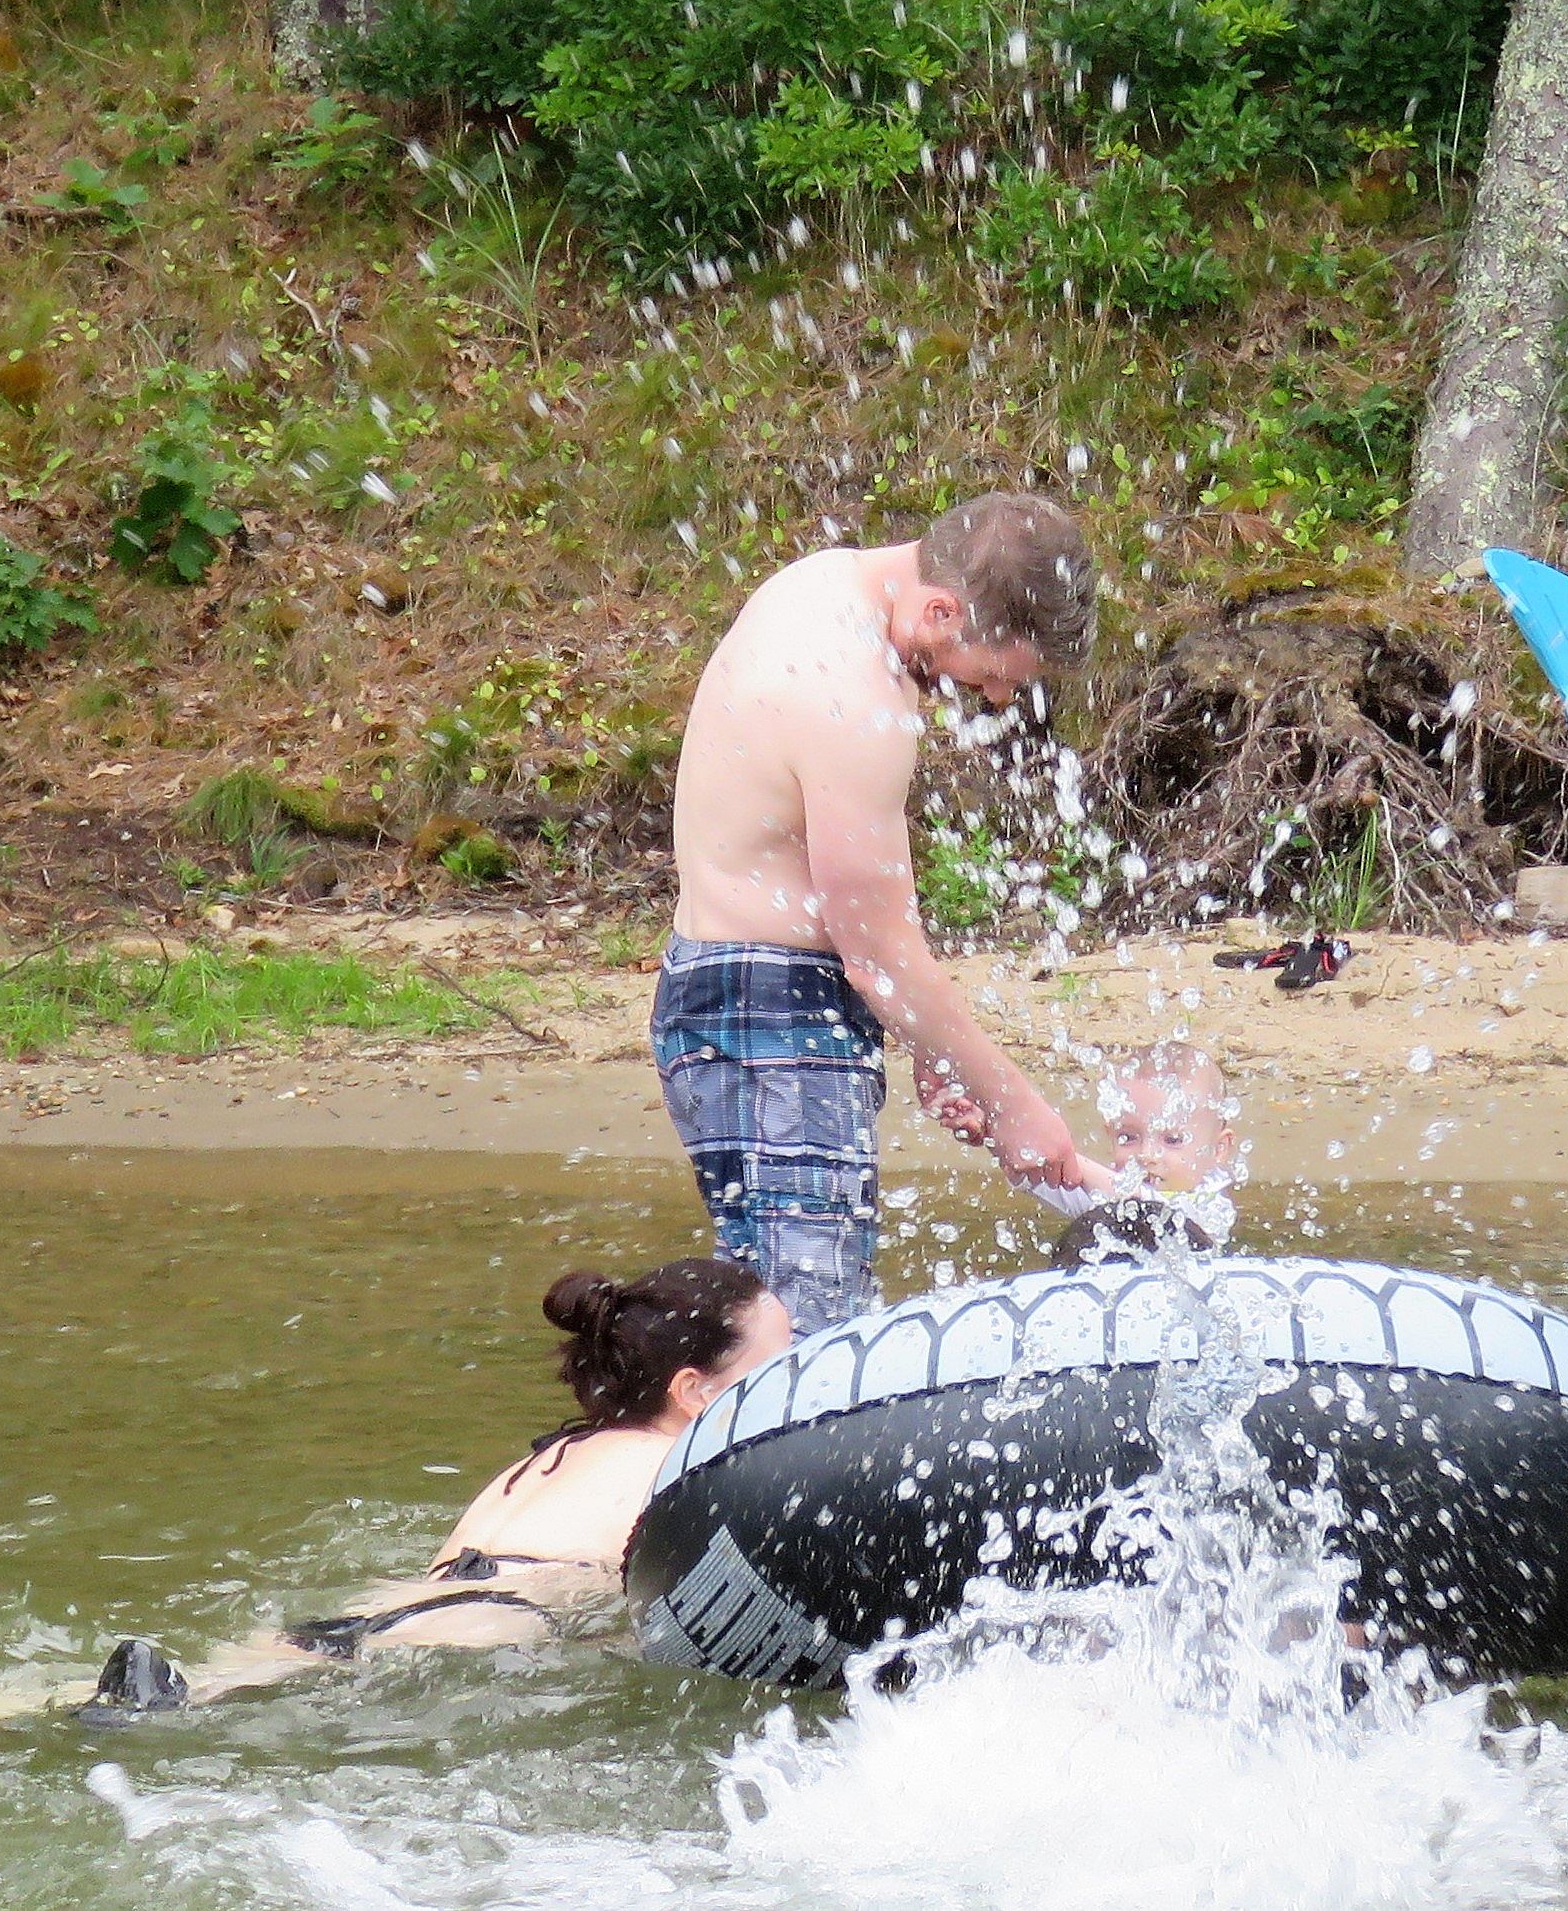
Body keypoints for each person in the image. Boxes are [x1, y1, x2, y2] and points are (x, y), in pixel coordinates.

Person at [656, 493, 1116, 1335]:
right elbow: (877, 956)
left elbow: (857, 924)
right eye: (991, 673)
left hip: (716, 993)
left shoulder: (818, 584)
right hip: (777, 1022)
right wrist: (1015, 1105)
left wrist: (929, 1047)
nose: (990, 697)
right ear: (940, 610)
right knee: (809, 1324)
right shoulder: (854, 695)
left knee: (756, 1316)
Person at [74, 1258, 791, 1716]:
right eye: (780, 1360)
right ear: (693, 1391)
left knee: (209, 1685)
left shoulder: (560, 1452)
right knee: (243, 1709)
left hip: (400, 1603)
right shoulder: (681, 1467)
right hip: (493, 1623)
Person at [1047, 1042, 1238, 1265]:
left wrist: (1069, 1159)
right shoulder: (1106, 1192)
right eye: (1128, 1137)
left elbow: (1147, 1207)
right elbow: (1044, 1175)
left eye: (1172, 1140)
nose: (1147, 1155)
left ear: (1218, 1148)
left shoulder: (1208, 1204)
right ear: (1111, 1134)